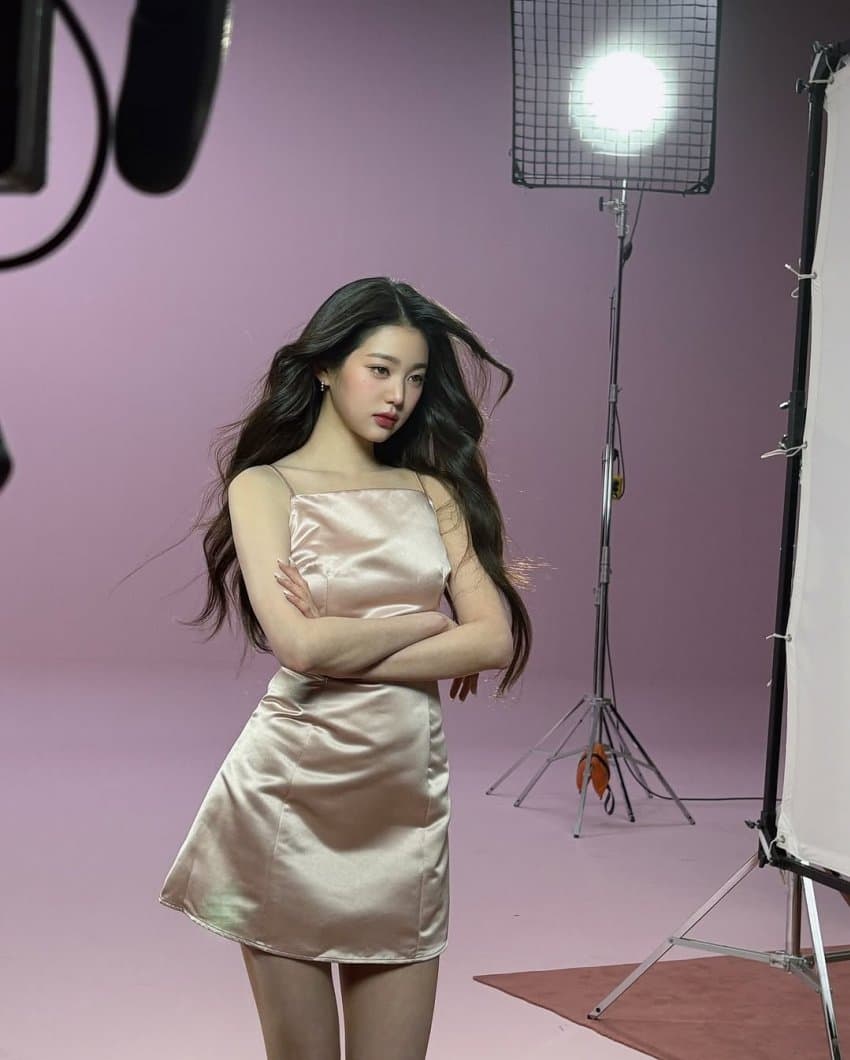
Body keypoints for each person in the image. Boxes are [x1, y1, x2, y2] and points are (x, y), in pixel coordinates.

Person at [158, 276, 533, 1059]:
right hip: (287, 804)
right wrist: (429, 621)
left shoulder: (431, 492)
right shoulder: (266, 487)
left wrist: (345, 634)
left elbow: (493, 642)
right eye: (380, 369)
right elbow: (299, 650)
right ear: (326, 367)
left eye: (416, 377)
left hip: (403, 814)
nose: (399, 395)